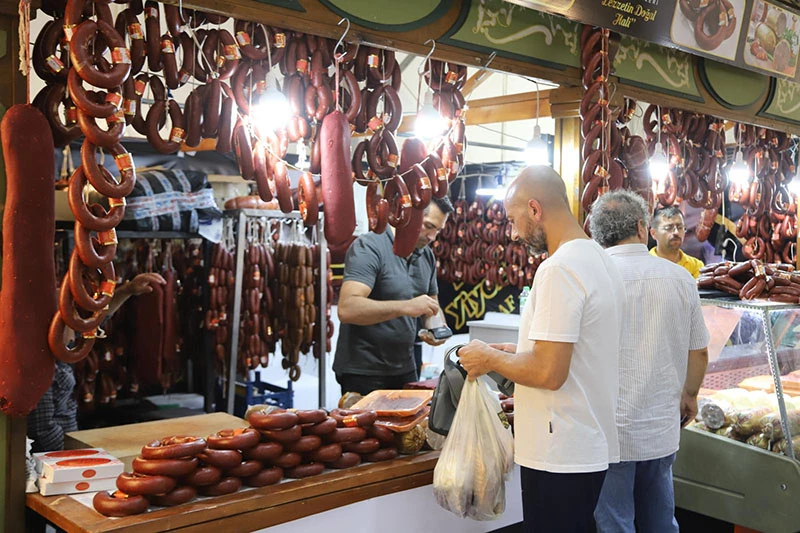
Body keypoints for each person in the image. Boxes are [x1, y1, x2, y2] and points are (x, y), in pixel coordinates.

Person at [458, 165, 625, 532]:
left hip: (559, 451)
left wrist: (489, 358)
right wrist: (509, 352)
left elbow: (549, 372)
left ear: (535, 209)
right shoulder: (599, 260)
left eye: (513, 219)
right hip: (584, 443)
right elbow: (570, 352)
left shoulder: (559, 269)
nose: (513, 232)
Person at [589, 191, 710, 532]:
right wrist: (690, 395)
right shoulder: (681, 278)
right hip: (661, 425)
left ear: (597, 234)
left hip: (610, 430)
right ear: (643, 229)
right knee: (660, 520)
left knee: (615, 521)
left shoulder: (589, 277)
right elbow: (698, 351)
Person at [28, 272, 167, 452]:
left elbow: (98, 317)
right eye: (70, 317)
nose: (76, 322)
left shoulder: (63, 345)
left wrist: (128, 290)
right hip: (56, 456)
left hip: (68, 446)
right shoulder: (40, 367)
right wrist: (71, 455)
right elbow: (41, 430)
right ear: (52, 325)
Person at [334, 196, 454, 396]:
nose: (432, 236)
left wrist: (437, 328)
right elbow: (348, 308)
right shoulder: (370, 247)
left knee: (408, 426)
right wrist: (405, 307)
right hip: (363, 370)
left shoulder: (426, 255)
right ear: (409, 216)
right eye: (428, 226)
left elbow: (432, 304)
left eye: (438, 230)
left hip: (405, 367)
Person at [649, 206, 704, 278]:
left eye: (680, 227)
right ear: (653, 233)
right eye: (668, 228)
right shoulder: (645, 265)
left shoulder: (696, 266)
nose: (676, 232)